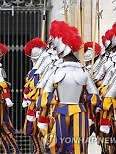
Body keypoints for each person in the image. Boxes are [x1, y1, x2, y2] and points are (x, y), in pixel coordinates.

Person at [32, 20, 100, 153]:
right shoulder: (83, 71)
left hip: (61, 112)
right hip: (80, 112)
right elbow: (94, 98)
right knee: (79, 149)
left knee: (58, 147)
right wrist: (91, 114)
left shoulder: (55, 71)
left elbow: (45, 99)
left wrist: (42, 119)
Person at [22, 37, 47, 154]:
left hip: (41, 103)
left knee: (43, 129)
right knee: (31, 129)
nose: (33, 60)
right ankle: (37, 149)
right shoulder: (30, 72)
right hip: (32, 104)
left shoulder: (45, 71)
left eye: (35, 58)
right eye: (33, 58)